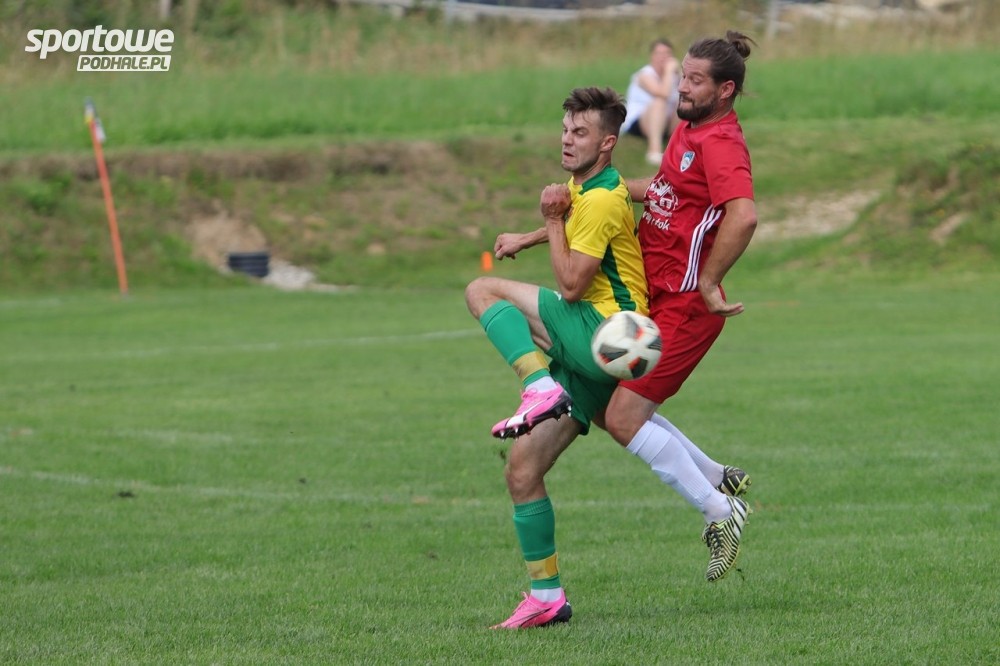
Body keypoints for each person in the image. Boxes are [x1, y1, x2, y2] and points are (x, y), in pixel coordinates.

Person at [464, 86, 648, 629]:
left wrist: (547, 220)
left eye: (581, 133)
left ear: (608, 143)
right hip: (605, 352)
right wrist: (527, 237)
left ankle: (538, 385)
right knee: (523, 471)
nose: (568, 140)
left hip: (602, 330)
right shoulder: (589, 187)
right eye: (566, 130)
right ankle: (547, 597)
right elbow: (577, 215)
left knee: (482, 290)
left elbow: (570, 285)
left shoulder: (601, 198)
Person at [605, 31, 760, 583]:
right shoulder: (690, 128)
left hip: (688, 307)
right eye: (682, 77)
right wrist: (601, 190)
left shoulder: (721, 142)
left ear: (725, 90)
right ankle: (718, 476)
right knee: (612, 405)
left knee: (622, 417)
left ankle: (721, 511)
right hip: (656, 295)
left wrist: (711, 281)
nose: (682, 88)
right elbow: (665, 189)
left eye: (694, 80)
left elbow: (743, 215)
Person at [622, 38, 682, 166]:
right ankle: (654, 151)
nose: (663, 58)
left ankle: (680, 147)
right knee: (659, 102)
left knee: (684, 102)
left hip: (667, 122)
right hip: (640, 122)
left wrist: (679, 73)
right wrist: (669, 71)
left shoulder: (674, 76)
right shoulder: (644, 75)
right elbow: (663, 93)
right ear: (652, 56)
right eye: (659, 53)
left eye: (667, 54)